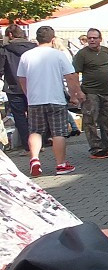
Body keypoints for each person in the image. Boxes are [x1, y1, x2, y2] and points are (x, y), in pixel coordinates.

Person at [17, 26, 85, 176]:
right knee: (58, 133)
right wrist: (74, 94)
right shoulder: (59, 55)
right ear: (53, 39)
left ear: (37, 39)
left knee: (35, 131)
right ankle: (60, 164)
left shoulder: (26, 56)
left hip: (35, 100)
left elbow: (22, 79)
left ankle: (34, 159)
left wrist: (28, 94)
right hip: (56, 99)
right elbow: (71, 76)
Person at [72, 28, 108, 158]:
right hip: (90, 92)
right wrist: (78, 92)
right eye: (89, 38)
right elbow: (74, 73)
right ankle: (95, 148)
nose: (92, 40)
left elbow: (107, 64)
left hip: (106, 91)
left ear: (100, 39)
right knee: (90, 120)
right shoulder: (82, 54)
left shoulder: (105, 51)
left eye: (95, 38)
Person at [3, 25, 35, 153]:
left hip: (13, 86)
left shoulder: (5, 50)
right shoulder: (33, 48)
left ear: (10, 35)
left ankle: (28, 146)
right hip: (33, 85)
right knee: (35, 114)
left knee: (19, 116)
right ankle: (40, 141)